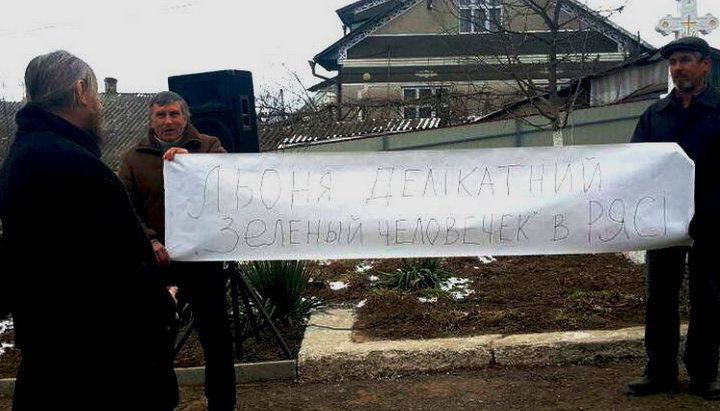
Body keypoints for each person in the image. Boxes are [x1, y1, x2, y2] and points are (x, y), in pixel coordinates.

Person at [0, 51, 178, 410]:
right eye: (95, 93)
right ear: (81, 90)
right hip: (102, 368)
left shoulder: (22, 156)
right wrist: (163, 304)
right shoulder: (76, 166)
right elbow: (124, 265)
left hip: (51, 358)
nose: (99, 104)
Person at [119, 91, 237, 411]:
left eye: (174, 114)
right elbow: (126, 210)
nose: (168, 121)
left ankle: (222, 404)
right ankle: (162, 403)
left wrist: (192, 165)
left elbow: (231, 182)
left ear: (186, 117)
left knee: (216, 341)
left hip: (203, 262)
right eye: (161, 115)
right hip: (159, 264)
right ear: (151, 119)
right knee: (157, 341)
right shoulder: (132, 158)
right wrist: (151, 241)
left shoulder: (209, 147)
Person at [628, 36, 720, 399]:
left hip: (712, 223)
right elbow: (635, 164)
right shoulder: (656, 115)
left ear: (705, 65)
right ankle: (659, 371)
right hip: (664, 223)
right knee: (660, 297)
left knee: (709, 298)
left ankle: (704, 373)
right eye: (673, 63)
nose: (678, 67)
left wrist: (710, 211)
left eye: (685, 60)